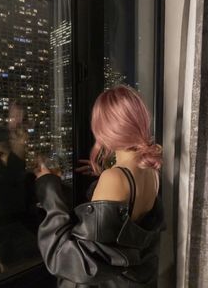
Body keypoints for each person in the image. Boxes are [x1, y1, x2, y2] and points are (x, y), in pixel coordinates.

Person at [34, 85, 165, 287]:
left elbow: (73, 261)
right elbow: (128, 228)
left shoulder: (115, 178)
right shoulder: (151, 172)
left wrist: (48, 187)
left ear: (106, 128)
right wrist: (103, 174)